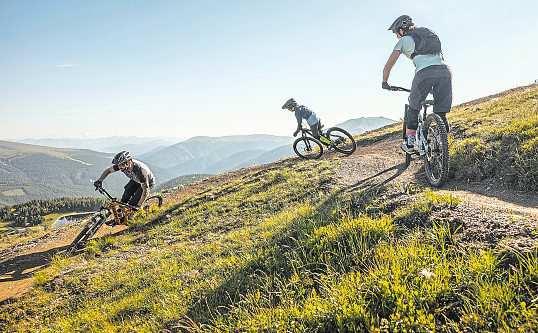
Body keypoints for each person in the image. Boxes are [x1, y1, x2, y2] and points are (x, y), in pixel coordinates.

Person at [382, 15, 452, 153]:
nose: (396, 36)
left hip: (424, 74)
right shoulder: (429, 34)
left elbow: (388, 65)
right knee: (441, 111)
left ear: (401, 30)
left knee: (413, 107)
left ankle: (410, 143)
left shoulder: (404, 40)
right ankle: (443, 143)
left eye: (396, 32)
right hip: (444, 72)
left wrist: (385, 81)